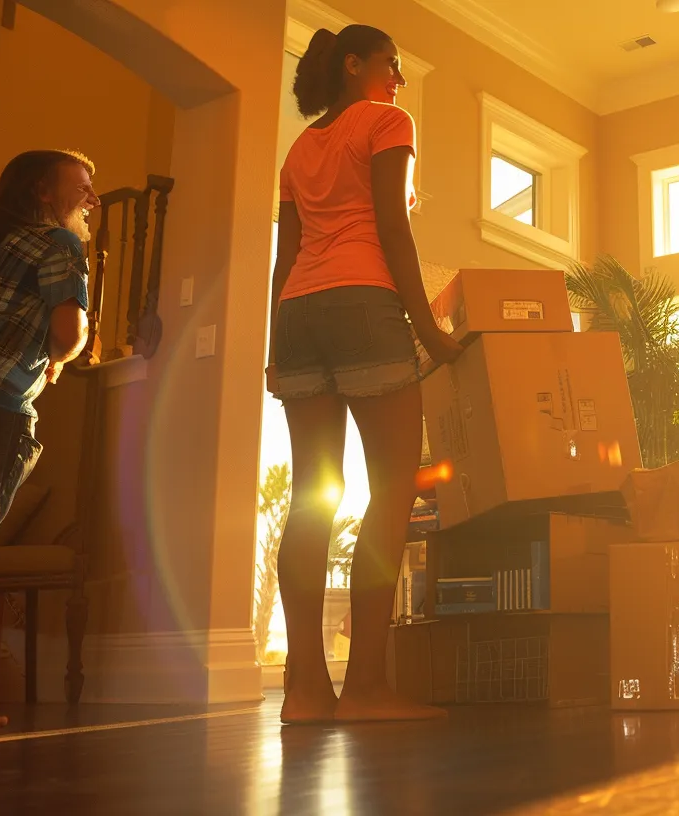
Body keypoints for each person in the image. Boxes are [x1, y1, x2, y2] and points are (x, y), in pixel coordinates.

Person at [269, 24, 461, 724]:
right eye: (392, 62)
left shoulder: (299, 148)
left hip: (297, 316)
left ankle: (304, 692)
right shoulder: (387, 122)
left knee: (311, 496)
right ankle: (368, 688)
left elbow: (285, 257)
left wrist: (273, 347)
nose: (399, 78)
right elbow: (391, 225)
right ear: (354, 65)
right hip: (362, 307)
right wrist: (429, 331)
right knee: (390, 492)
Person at [0, 149, 98, 730]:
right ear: (42, 192)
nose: (92, 200)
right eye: (81, 187)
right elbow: (68, 330)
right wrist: (62, 356)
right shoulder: (58, 244)